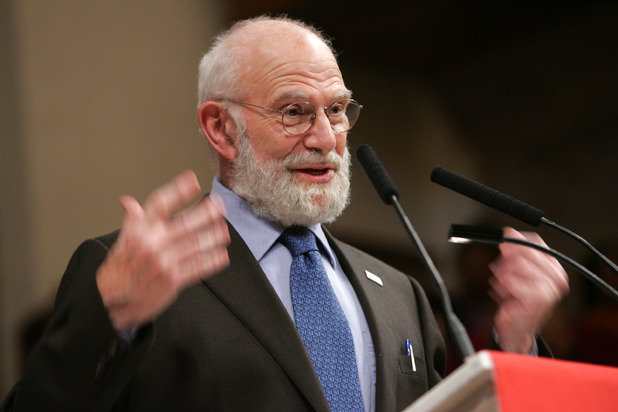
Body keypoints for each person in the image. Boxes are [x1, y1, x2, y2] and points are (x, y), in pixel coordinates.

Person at [1, 15, 569, 411]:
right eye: (295, 112)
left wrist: (514, 345)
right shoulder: (134, 270)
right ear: (221, 128)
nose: (326, 137)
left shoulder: (401, 293)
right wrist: (114, 323)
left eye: (339, 110)